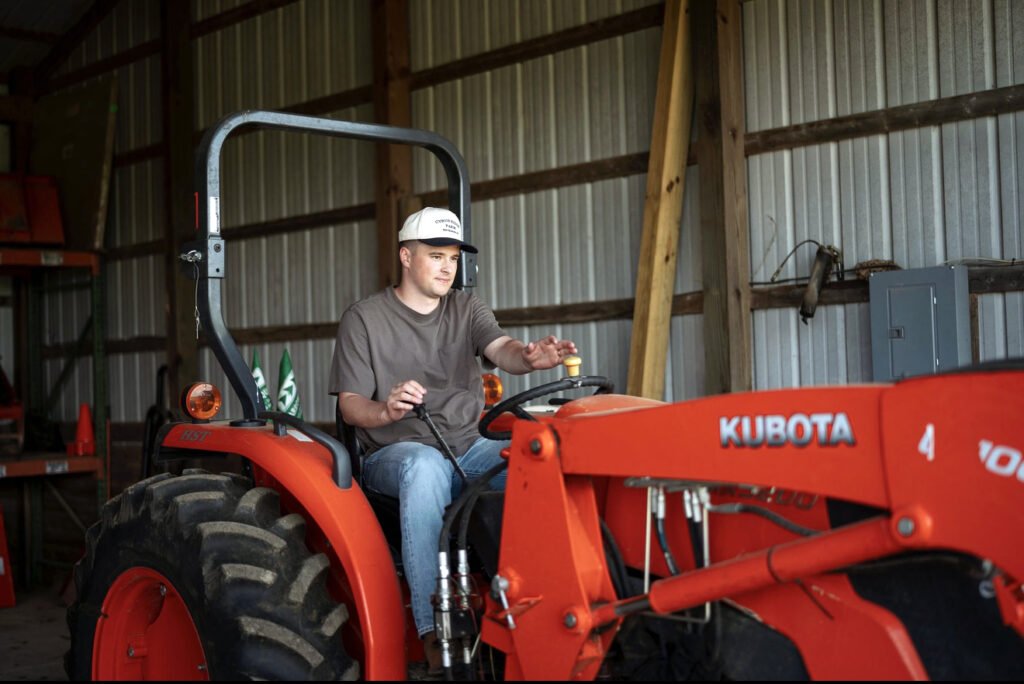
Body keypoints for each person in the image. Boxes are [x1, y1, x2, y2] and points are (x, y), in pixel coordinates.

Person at [328, 206, 576, 673]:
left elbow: (500, 349)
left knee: (538, 459)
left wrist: (529, 356)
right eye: (436, 256)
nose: (447, 267)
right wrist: (385, 408)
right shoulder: (364, 319)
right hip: (394, 453)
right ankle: (435, 634)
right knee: (425, 469)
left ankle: (547, 611)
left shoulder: (466, 308)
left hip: (468, 444)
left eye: (454, 259)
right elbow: (350, 404)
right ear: (406, 256)